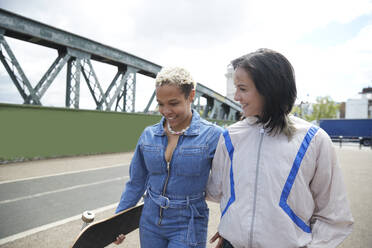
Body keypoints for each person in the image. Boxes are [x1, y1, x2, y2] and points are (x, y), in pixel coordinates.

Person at [206, 48, 354, 248]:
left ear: (268, 88)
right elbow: (216, 191)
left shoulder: (314, 140)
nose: (236, 97)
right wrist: (231, 229)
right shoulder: (230, 136)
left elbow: (334, 215)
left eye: (242, 88)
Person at [114, 67, 223, 247]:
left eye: (173, 103)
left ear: (191, 96)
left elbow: (228, 186)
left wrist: (228, 226)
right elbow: (136, 182)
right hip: (149, 219)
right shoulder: (148, 135)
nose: (166, 111)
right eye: (160, 103)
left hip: (189, 222)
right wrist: (118, 221)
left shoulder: (213, 136)